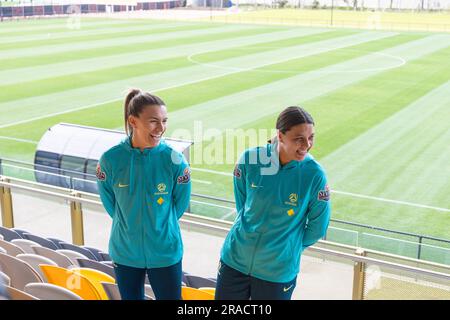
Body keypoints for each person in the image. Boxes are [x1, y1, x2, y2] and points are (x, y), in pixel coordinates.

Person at [215, 106, 331, 300]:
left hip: (277, 272)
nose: (306, 145)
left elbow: (318, 226)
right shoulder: (250, 159)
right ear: (281, 135)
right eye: (299, 138)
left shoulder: (314, 175)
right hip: (234, 260)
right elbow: (242, 204)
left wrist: (289, 246)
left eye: (311, 137)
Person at [97, 89, 191, 300]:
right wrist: (130, 224)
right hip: (125, 252)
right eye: (153, 121)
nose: (161, 128)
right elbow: (110, 203)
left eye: (164, 121)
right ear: (133, 121)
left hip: (165, 252)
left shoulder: (175, 160)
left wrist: (158, 227)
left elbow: (179, 205)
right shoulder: (110, 160)